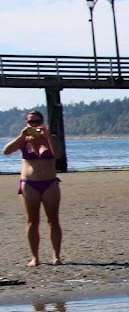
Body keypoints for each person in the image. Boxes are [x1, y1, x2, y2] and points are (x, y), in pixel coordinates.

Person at [2, 110, 64, 266]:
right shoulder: (23, 141)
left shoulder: (51, 138)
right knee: (32, 221)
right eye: (31, 122)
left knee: (53, 220)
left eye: (37, 121)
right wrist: (21, 136)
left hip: (49, 182)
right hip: (29, 183)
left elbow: (58, 155)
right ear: (26, 124)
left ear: (42, 123)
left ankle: (56, 256)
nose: (34, 125)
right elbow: (6, 151)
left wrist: (48, 136)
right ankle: (35, 257)